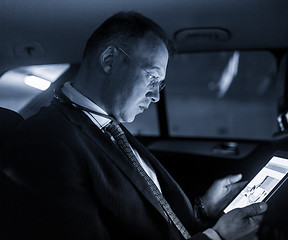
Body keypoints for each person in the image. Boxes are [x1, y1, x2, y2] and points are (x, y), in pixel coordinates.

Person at [0, 11, 267, 240]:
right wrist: (216, 236)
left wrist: (202, 209)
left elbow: (139, 223)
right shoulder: (44, 141)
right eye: (152, 77)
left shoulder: (106, 125)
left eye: (160, 84)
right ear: (110, 60)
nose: (156, 96)